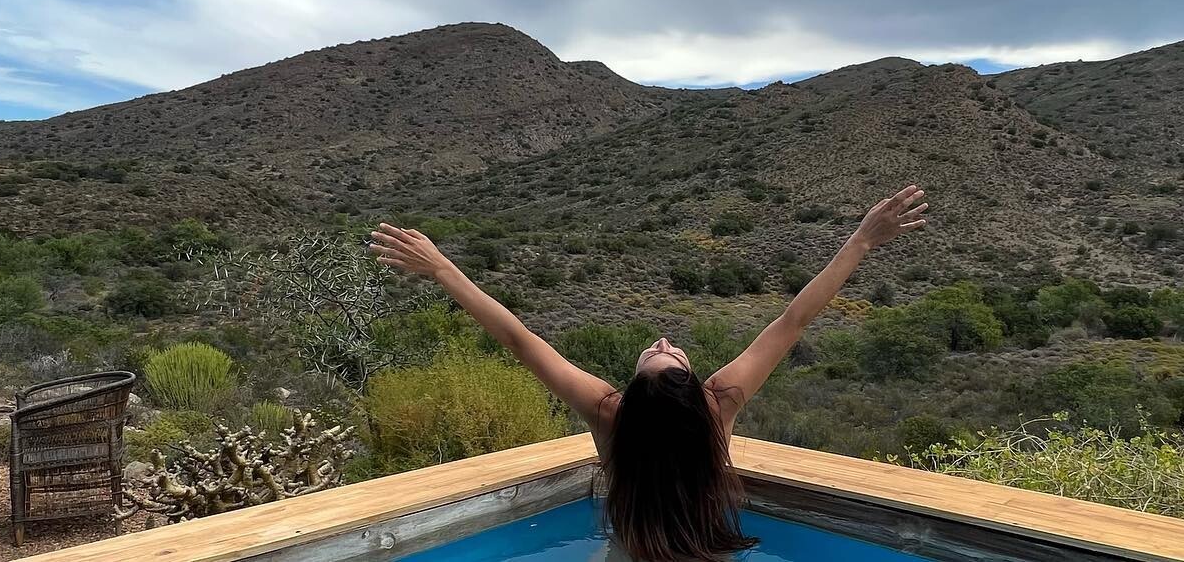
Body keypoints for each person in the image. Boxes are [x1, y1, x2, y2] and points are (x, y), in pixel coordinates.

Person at [369, 182, 929, 562]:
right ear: (692, 387)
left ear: (634, 390)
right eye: (673, 354)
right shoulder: (717, 406)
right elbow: (793, 321)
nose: (663, 342)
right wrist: (861, 240)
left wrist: (443, 269)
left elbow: (520, 339)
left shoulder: (611, 416)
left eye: (656, 353)